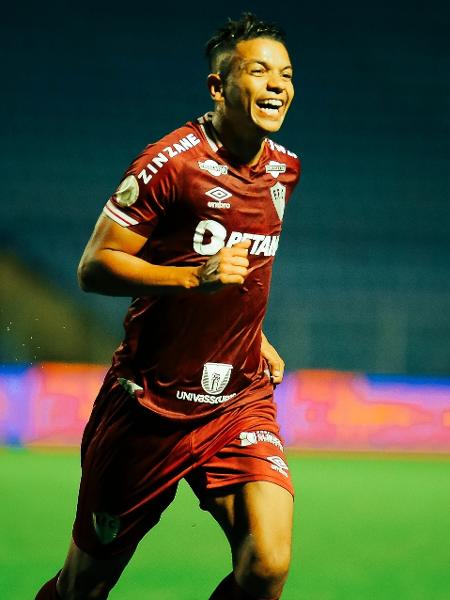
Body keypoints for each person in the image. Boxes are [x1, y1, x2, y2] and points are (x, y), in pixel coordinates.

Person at [36, 11, 301, 600]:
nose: (278, 84)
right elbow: (94, 267)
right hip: (149, 404)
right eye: (259, 71)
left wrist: (252, 334)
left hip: (237, 399)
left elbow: (244, 273)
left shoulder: (284, 169)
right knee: (84, 586)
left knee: (268, 565)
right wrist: (190, 282)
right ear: (218, 86)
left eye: (285, 73)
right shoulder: (170, 163)